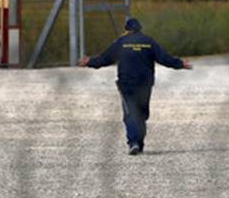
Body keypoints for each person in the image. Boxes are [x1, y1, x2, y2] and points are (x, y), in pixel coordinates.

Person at [79, 18, 192, 155]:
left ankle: (134, 143)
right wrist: (181, 64)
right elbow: (164, 58)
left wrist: (89, 62)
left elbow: (105, 59)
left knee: (130, 113)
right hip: (145, 84)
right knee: (142, 114)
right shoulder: (149, 42)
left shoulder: (121, 43)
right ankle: (139, 143)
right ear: (140, 28)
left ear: (127, 29)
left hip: (127, 84)